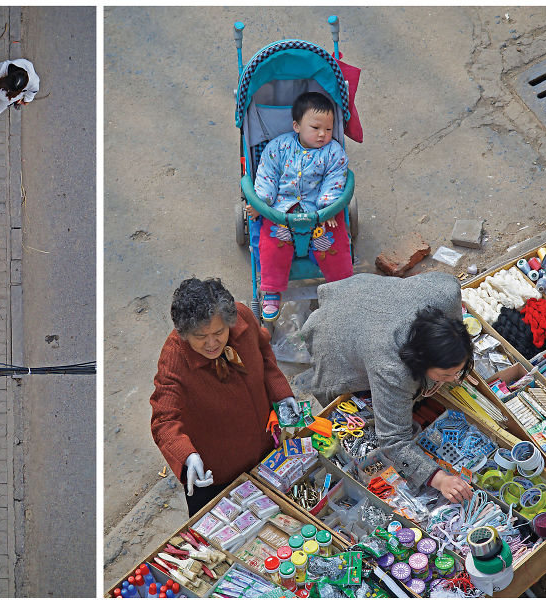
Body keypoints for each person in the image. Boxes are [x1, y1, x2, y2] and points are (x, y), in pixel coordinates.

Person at [300, 271, 475, 504]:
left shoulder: (446, 295)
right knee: (347, 395)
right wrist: (440, 479)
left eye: (457, 372)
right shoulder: (392, 369)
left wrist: (453, 364)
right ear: (420, 362)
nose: (453, 379)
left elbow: (449, 281)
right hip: (333, 329)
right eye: (445, 375)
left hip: (366, 294)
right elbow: (393, 440)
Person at [149, 278, 297, 516]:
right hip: (218, 472)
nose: (211, 343)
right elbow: (163, 420)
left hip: (264, 450)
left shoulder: (243, 317)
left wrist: (281, 394)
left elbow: (264, 354)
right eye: (200, 336)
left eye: (219, 332)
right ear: (185, 334)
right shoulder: (174, 358)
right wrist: (188, 456)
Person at [246, 91, 353, 321]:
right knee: (271, 242)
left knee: (335, 240)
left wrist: (329, 206)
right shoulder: (278, 147)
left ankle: (342, 286)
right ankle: (272, 289)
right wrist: (261, 202)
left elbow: (335, 179)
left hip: (319, 211)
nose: (323, 134)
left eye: (328, 128)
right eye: (316, 128)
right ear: (297, 126)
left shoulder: (334, 152)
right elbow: (267, 175)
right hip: (281, 209)